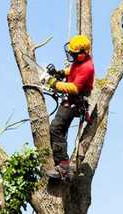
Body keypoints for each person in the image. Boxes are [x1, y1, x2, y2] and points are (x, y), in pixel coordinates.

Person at [46, 35, 95, 178]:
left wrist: (54, 84)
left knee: (56, 128)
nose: (71, 55)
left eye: (74, 53)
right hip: (70, 100)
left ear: (83, 53)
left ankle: (63, 167)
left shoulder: (88, 67)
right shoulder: (80, 62)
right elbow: (73, 70)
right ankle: (60, 162)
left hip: (75, 102)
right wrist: (60, 73)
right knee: (59, 130)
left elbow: (74, 88)